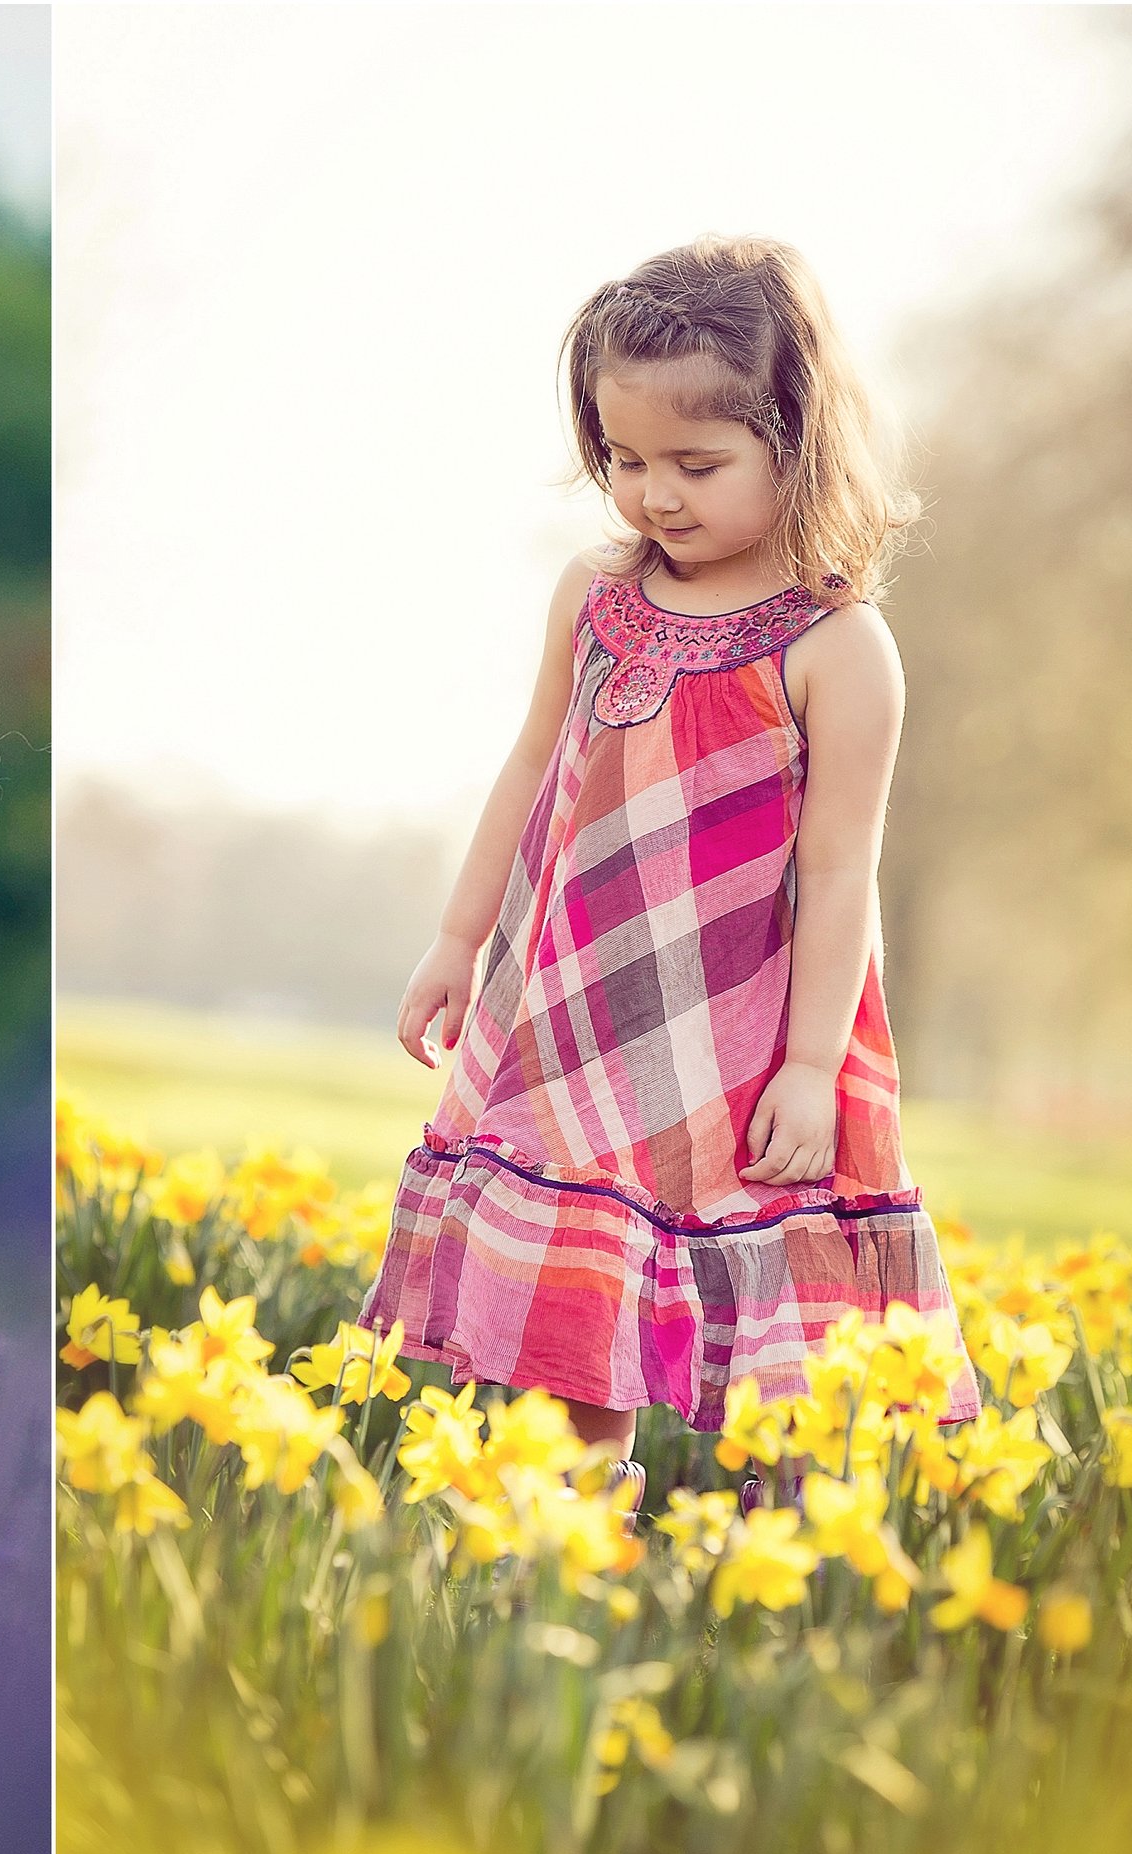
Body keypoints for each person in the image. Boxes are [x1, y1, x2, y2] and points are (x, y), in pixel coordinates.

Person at [364, 235, 982, 1520]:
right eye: (625, 459)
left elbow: (840, 870)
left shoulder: (836, 645)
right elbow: (532, 765)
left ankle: (780, 1560)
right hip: (576, 1002)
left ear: (796, 443)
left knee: (785, 1353)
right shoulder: (593, 598)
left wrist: (811, 1063)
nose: (655, 495)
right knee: (578, 1291)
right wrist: (454, 937)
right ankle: (564, 1527)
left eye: (697, 464)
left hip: (739, 1032)